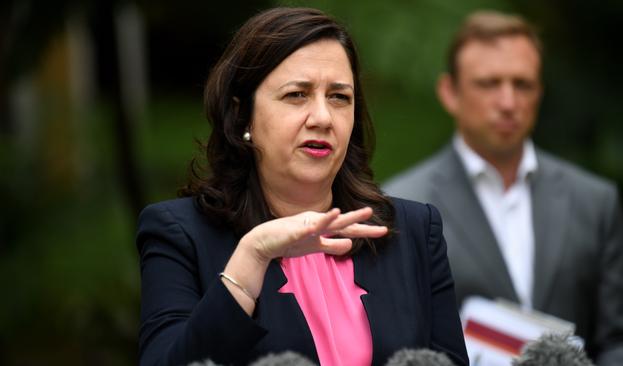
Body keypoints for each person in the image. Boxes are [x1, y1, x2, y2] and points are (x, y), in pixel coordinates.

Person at [136, 7, 469, 366]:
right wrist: (253, 256)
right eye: (297, 95)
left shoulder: (413, 230)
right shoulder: (180, 234)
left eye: (339, 97)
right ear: (241, 114)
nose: (323, 118)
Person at [383, 10, 623, 365]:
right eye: (489, 83)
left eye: (522, 84)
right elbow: (395, 343)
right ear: (450, 93)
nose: (508, 102)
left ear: (539, 92)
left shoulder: (594, 201)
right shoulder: (401, 203)